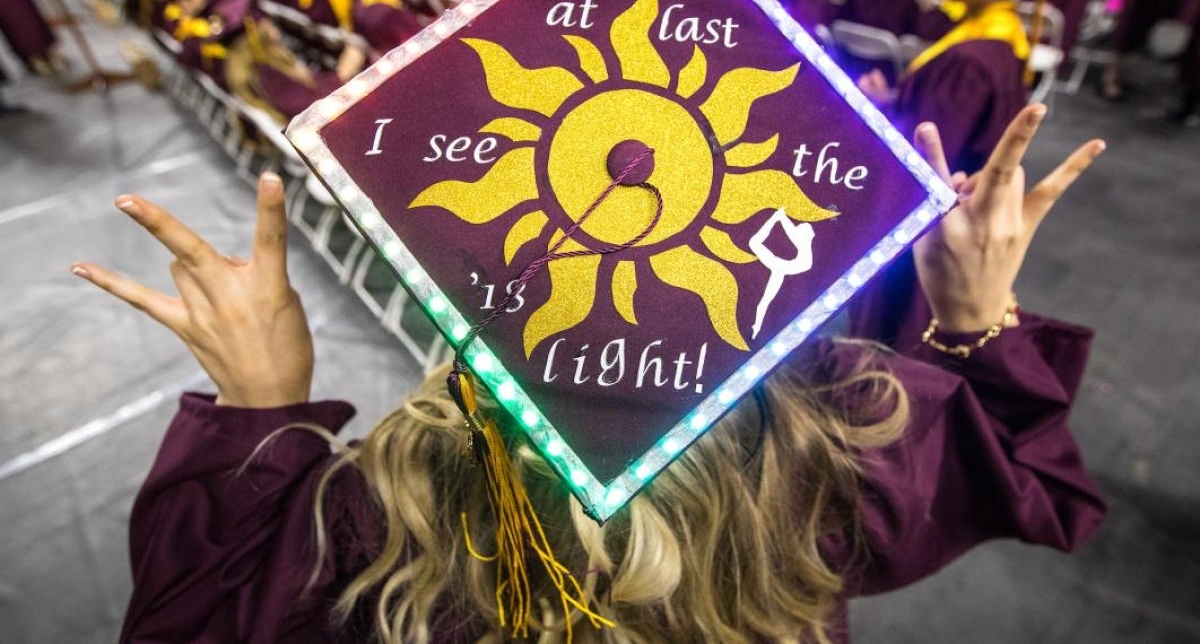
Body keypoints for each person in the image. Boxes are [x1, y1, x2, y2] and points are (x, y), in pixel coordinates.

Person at [76, 101, 1106, 643]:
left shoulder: (368, 526)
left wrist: (261, 407)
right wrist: (973, 315)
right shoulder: (816, 473)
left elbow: (192, 620)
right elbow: (1024, 472)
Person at [851, 0, 1048, 350]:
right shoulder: (997, 39)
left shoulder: (971, 63)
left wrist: (881, 110)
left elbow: (927, 159)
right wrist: (899, 96)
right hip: (954, 221)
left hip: (924, 240)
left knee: (890, 347)